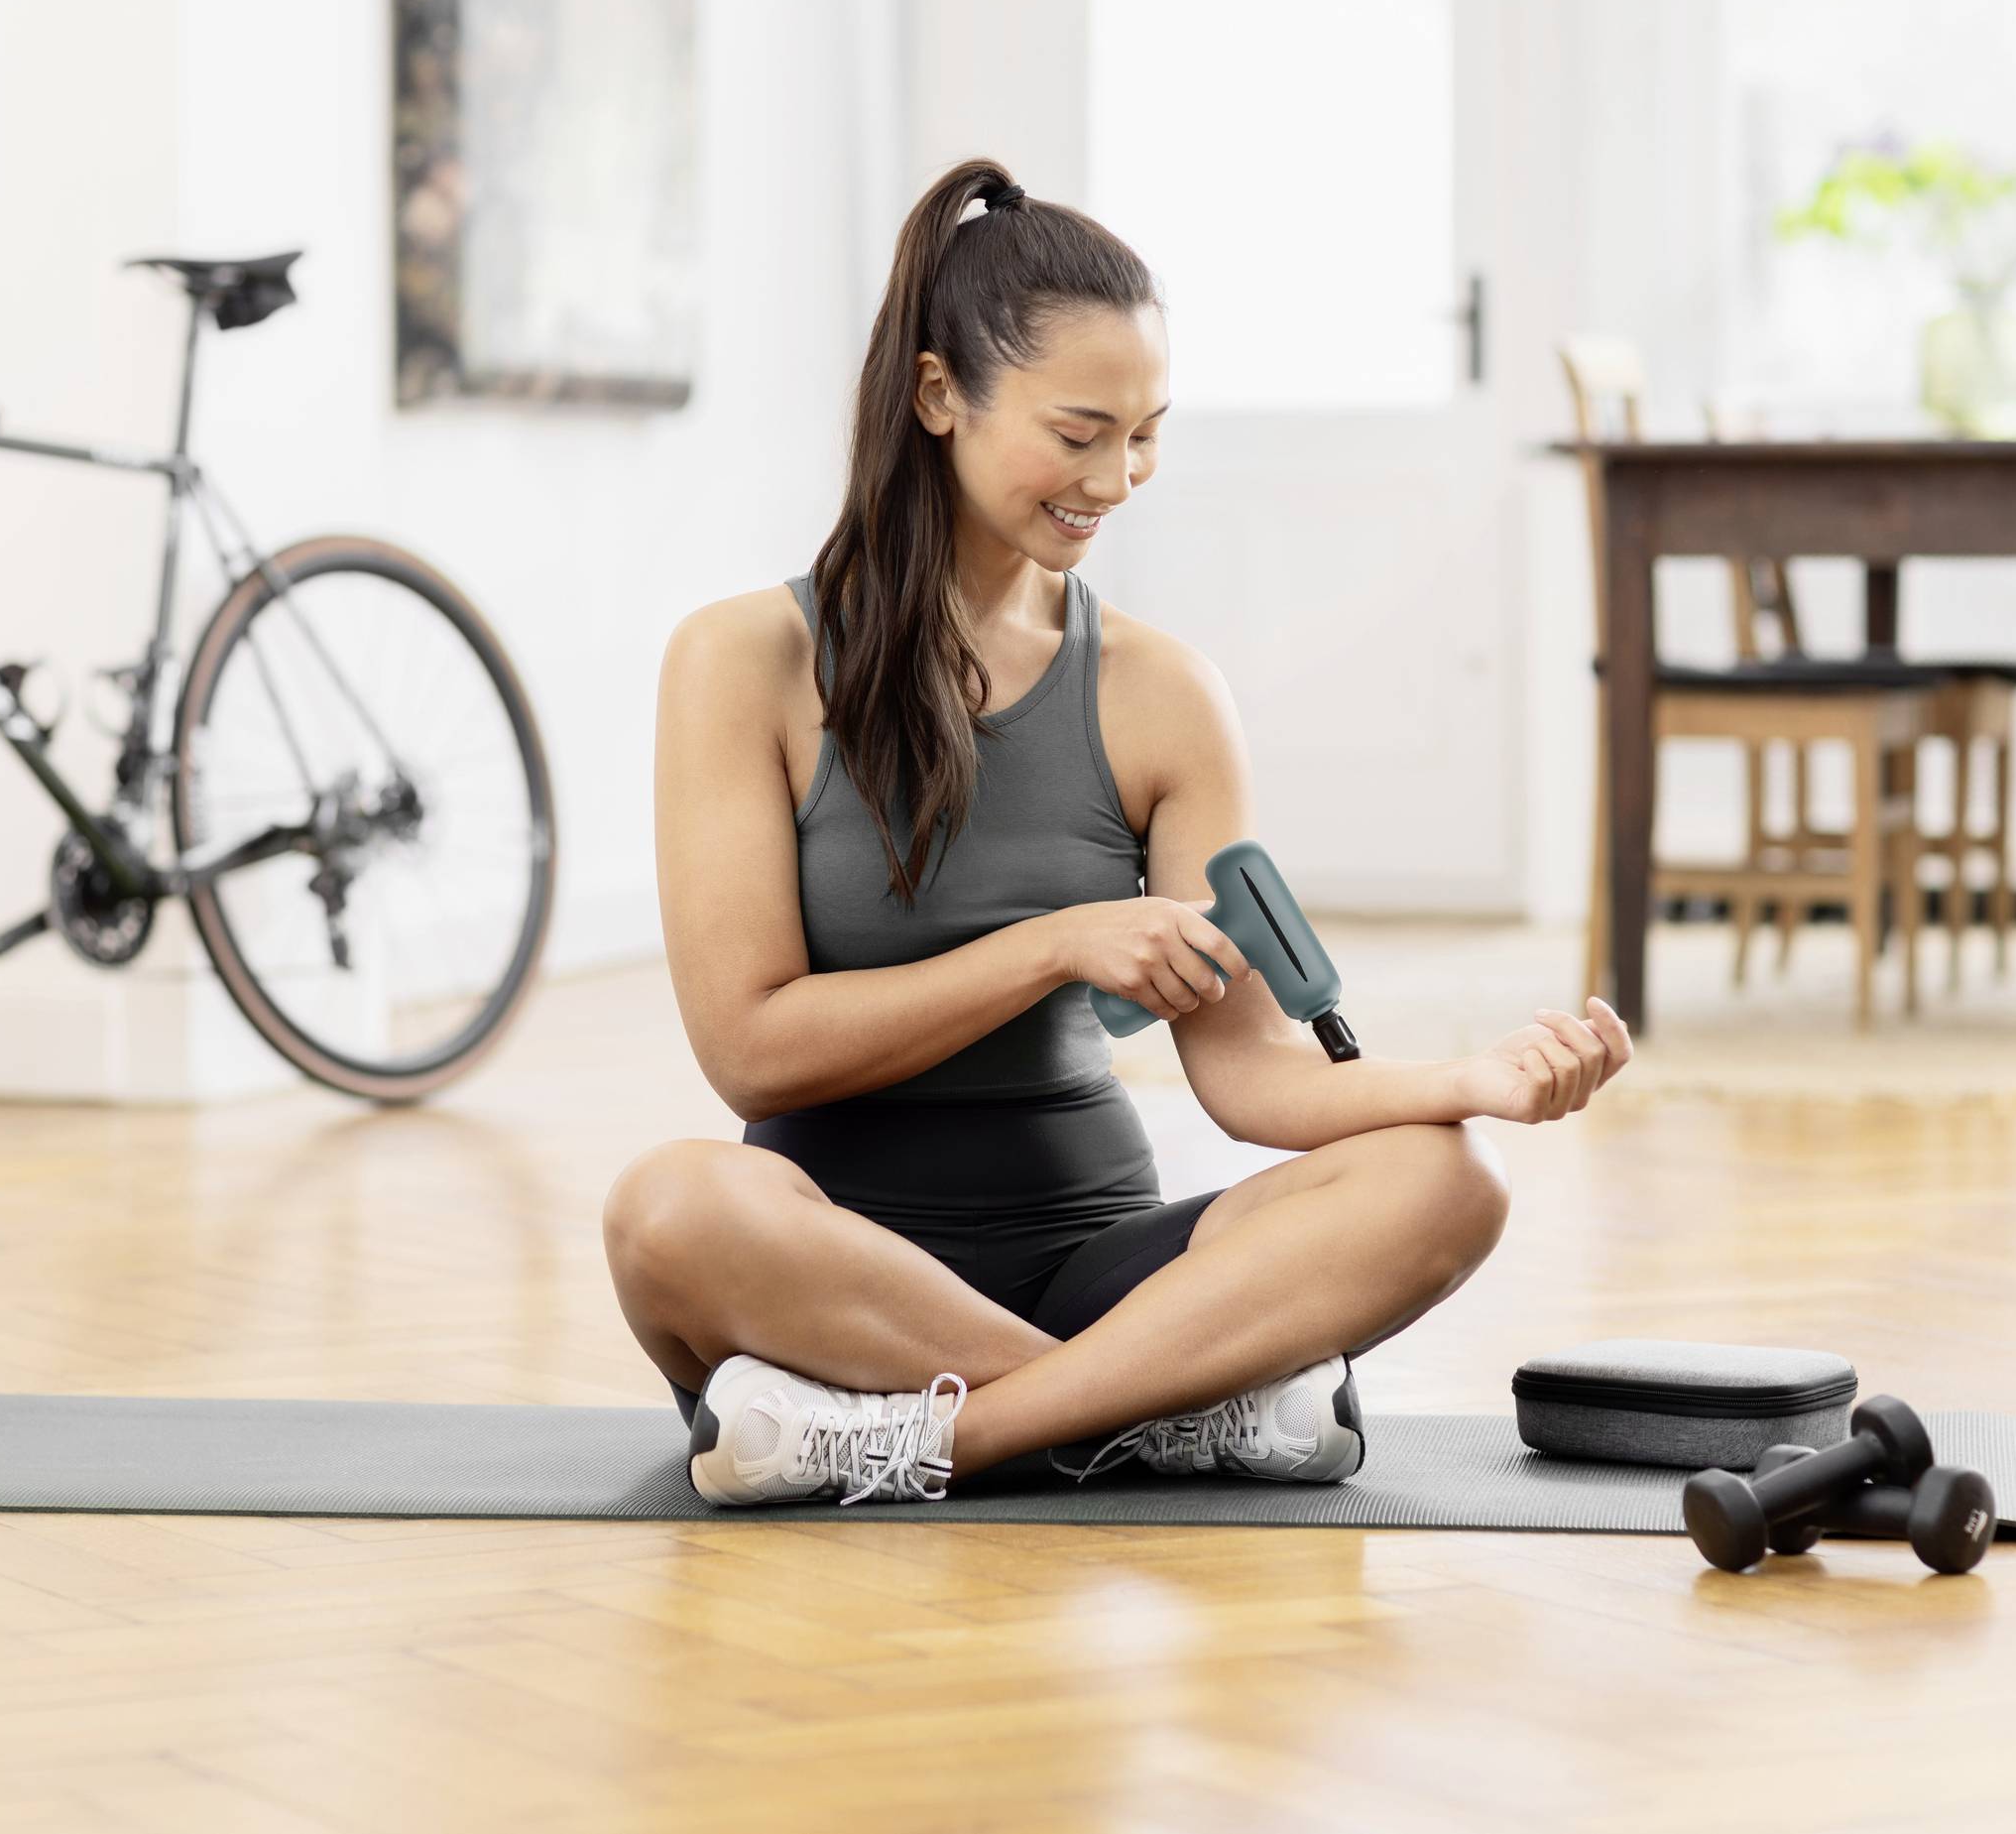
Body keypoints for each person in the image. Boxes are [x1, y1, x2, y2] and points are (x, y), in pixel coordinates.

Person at [608, 159, 1632, 1510]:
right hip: (828, 1266)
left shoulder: (1161, 694)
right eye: (1081, 431)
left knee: (1452, 1182)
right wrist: (1050, 946)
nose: (1119, 478)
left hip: (1100, 1265)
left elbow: (1256, 1072)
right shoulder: (741, 661)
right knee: (668, 1211)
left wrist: (1470, 1079)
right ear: (936, 398)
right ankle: (1159, 1408)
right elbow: (752, 1050)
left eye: (1147, 433)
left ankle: (931, 1440)